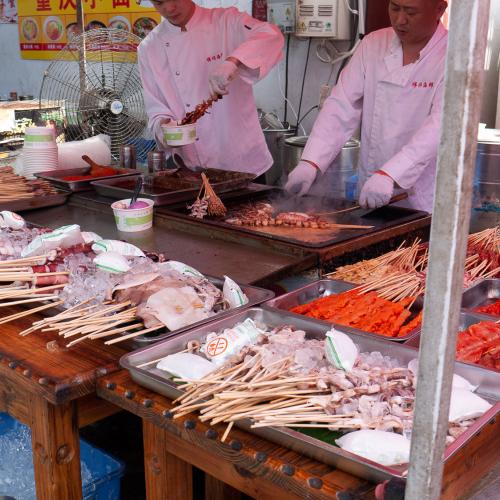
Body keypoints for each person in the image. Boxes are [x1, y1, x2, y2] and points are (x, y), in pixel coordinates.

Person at [285, 0, 448, 212]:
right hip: (371, 187)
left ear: (439, 9)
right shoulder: (374, 44)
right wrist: (311, 161)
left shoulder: (453, 56)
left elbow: (440, 126)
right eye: (395, 8)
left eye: (411, 12)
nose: (400, 20)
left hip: (426, 196)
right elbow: (341, 105)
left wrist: (391, 173)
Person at [137, 0, 284, 176]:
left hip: (243, 165)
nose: (169, 8)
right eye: (159, 2)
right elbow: (157, 109)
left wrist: (233, 61)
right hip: (188, 169)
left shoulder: (225, 21)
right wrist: (164, 130)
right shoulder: (149, 48)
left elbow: (271, 34)